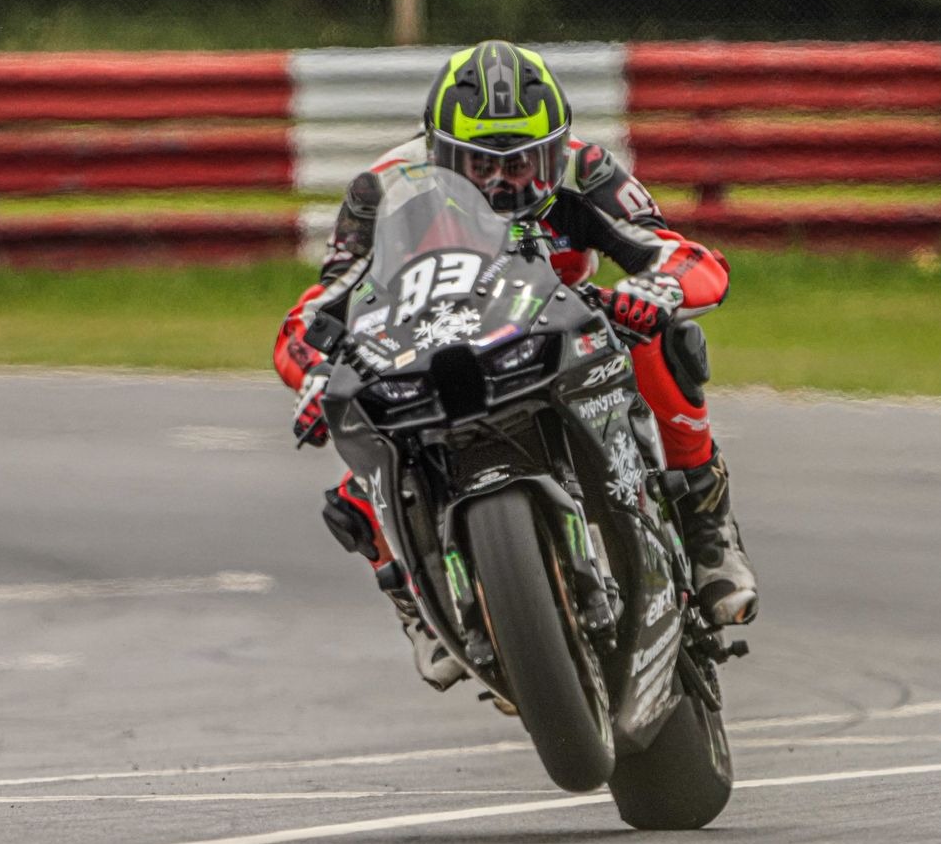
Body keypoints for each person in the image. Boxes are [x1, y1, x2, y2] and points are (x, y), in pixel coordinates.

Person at [273, 40, 757, 690]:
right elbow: (318, 309)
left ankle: (706, 524)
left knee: (665, 341)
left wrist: (656, 291)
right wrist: (313, 371)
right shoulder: (385, 190)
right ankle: (415, 599)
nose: (505, 182)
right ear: (438, 151)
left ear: (557, 148)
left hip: (563, 335)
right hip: (439, 352)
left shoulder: (587, 171)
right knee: (354, 454)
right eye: (480, 164)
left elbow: (686, 257)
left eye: (527, 160)